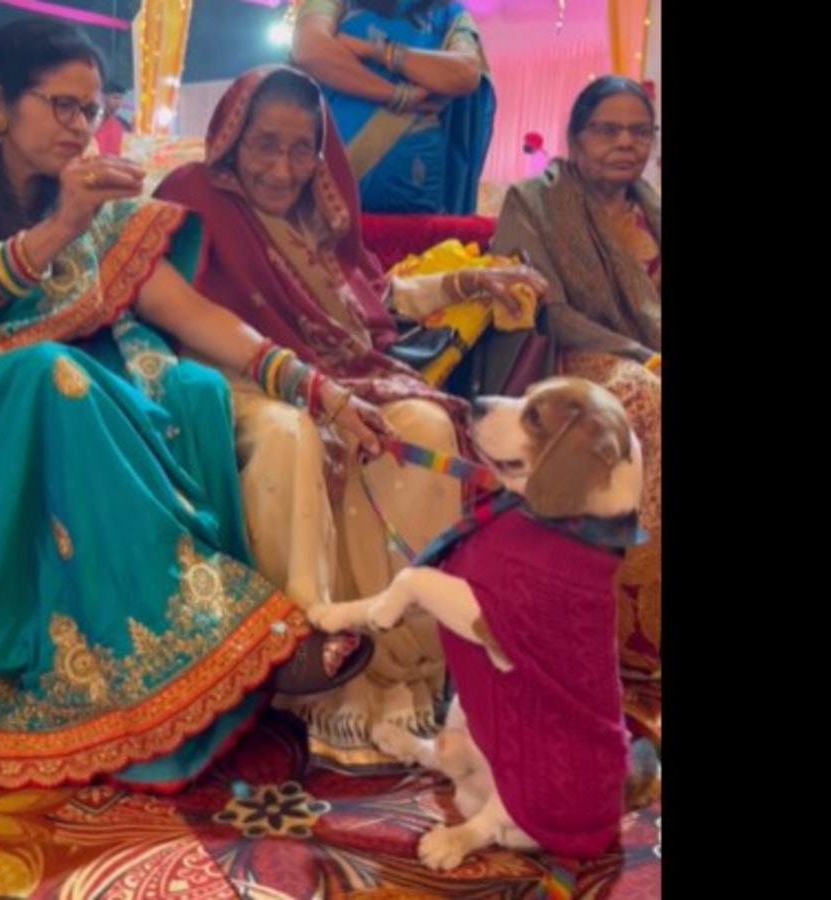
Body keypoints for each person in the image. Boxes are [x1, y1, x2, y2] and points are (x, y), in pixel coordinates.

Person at [0, 20, 388, 791]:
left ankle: (210, 667)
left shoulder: (89, 193)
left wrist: (318, 389)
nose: (80, 127)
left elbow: (189, 313)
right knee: (53, 376)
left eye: (90, 110)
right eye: (62, 106)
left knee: (194, 387)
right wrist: (52, 232)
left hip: (60, 366)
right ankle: (172, 638)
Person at [155, 65, 545, 768]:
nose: (282, 167)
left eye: (300, 148)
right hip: (228, 383)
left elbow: (370, 294)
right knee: (291, 435)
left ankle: (397, 665)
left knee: (418, 428)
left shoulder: (319, 212)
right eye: (264, 145)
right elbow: (170, 312)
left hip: (337, 374)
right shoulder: (189, 200)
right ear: (232, 138)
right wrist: (312, 392)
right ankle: (312, 670)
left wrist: (469, 279)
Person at [481, 74, 662, 751]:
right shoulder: (535, 202)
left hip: (641, 360)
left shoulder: (651, 209)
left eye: (637, 131)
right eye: (606, 130)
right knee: (643, 397)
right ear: (576, 138)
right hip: (565, 362)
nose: (623, 144)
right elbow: (546, 308)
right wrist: (638, 356)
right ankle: (616, 627)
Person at [290, 0, 494, 214]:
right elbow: (310, 50)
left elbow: (465, 73)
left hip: (412, 203)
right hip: (324, 199)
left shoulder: (449, 13)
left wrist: (375, 50)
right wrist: (397, 95)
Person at [94, 79, 129, 155]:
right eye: (115, 98)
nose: (118, 102)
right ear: (103, 97)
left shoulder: (122, 124)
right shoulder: (91, 119)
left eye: (120, 98)